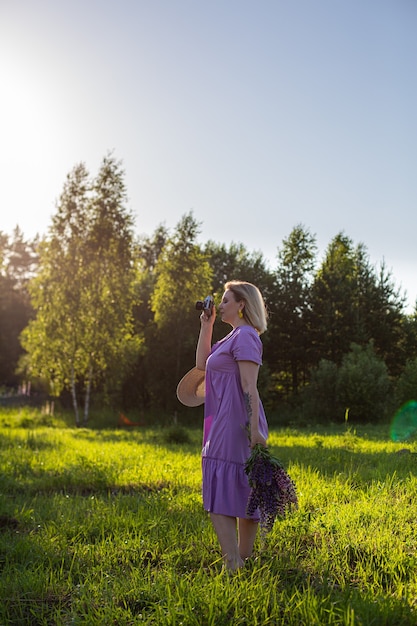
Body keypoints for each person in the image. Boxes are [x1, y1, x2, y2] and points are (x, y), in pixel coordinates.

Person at [195, 280, 269, 571]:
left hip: (235, 421)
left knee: (222, 487)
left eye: (226, 300)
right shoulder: (232, 338)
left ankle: (233, 562)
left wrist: (253, 430)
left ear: (242, 305)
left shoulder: (247, 336)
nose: (220, 304)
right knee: (244, 486)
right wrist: (207, 325)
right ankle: (243, 559)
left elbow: (250, 386)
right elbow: (202, 365)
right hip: (227, 420)